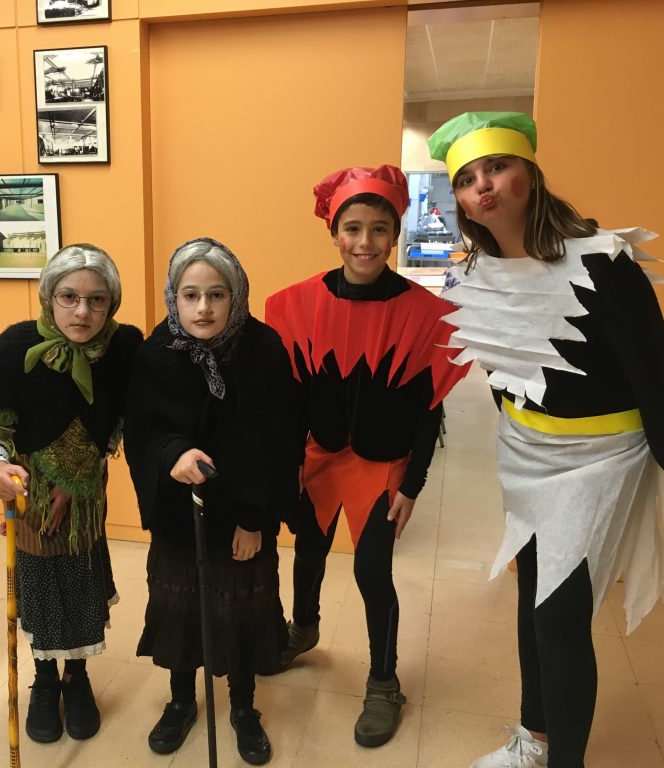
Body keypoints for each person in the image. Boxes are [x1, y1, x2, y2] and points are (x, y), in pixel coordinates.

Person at [428, 111, 664, 768]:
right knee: (532, 597)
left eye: (497, 167)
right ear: (461, 201)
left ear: (529, 173)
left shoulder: (604, 263)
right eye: (467, 178)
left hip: (599, 462)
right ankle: (537, 737)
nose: (483, 185)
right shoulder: (475, 274)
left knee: (558, 617)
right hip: (524, 454)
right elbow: (503, 373)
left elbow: (659, 381)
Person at [263, 165, 468, 748]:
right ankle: (304, 629)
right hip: (319, 457)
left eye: (380, 229)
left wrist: (413, 485)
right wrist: (288, 464)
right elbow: (290, 400)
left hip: (384, 465)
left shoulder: (427, 315)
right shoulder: (297, 305)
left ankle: (383, 680)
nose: (365, 242)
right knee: (308, 547)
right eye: (352, 228)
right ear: (334, 233)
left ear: (396, 234)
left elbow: (430, 409)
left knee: (371, 571)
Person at [124, 237, 298, 766]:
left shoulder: (263, 350)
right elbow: (142, 429)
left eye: (217, 294)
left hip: (244, 513)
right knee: (183, 608)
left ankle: (243, 706)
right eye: (190, 294)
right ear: (173, 297)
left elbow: (279, 442)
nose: (203, 308)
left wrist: (255, 520)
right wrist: (171, 453)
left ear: (236, 296)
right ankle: (181, 700)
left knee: (240, 610)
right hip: (182, 515)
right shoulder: (156, 351)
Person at [0, 244, 142, 744]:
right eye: (69, 297)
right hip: (30, 494)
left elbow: (121, 422)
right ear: (49, 298)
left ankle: (78, 676)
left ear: (111, 303)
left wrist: (75, 480)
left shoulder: (125, 347)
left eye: (96, 300)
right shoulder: (16, 345)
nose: (82, 311)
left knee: (81, 580)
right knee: (41, 583)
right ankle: (45, 679)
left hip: (86, 494)